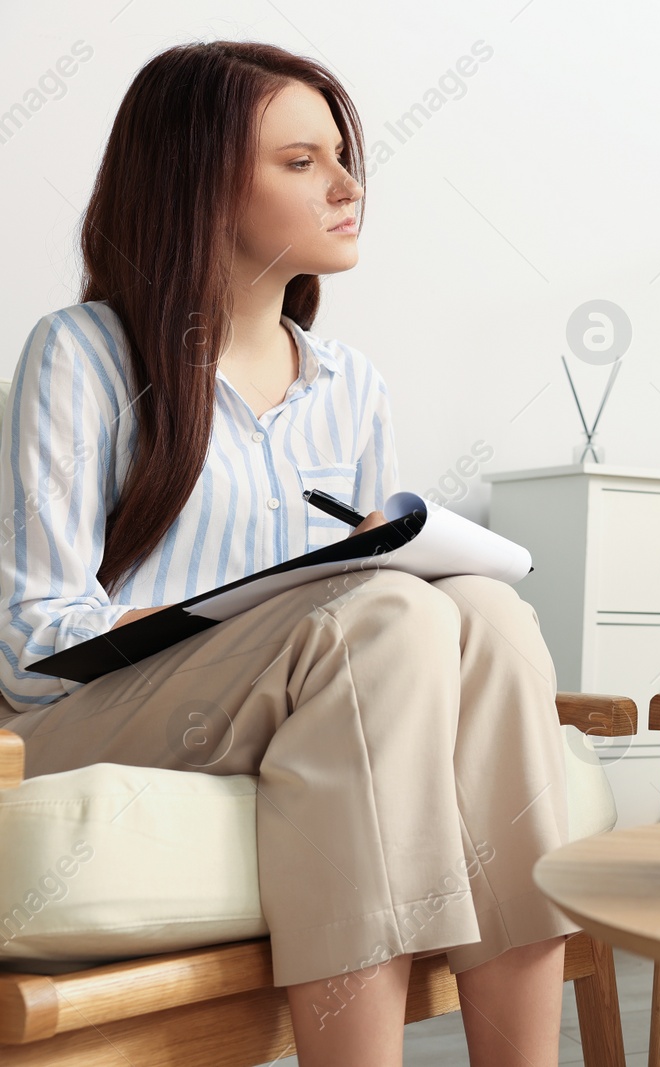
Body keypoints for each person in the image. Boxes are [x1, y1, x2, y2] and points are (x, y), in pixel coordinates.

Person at [0, 42, 575, 1067]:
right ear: (200, 183)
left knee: (488, 618)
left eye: (344, 156)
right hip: (91, 710)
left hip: (303, 700)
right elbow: (32, 638)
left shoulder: (351, 383)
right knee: (389, 617)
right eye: (302, 161)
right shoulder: (80, 352)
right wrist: (251, 624)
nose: (350, 185)